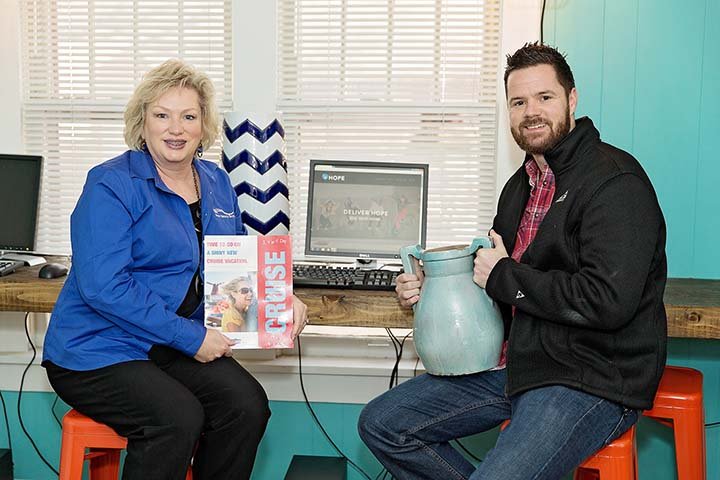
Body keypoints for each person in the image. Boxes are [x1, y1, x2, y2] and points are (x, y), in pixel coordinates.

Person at [358, 42, 667, 480]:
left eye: (545, 97)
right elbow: (494, 282)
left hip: (591, 379)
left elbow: (607, 301)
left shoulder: (616, 183)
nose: (531, 112)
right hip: (520, 364)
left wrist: (506, 275)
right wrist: (435, 287)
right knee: (383, 425)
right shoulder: (517, 188)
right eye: (518, 102)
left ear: (572, 99)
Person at [42, 59, 309, 480]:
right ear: (142, 123)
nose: (176, 128)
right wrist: (192, 336)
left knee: (247, 406)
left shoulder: (217, 181)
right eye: (162, 115)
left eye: (188, 116)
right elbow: (103, 287)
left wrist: (279, 296)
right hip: (97, 351)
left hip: (166, 345)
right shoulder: (110, 184)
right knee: (177, 418)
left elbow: (232, 268)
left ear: (204, 126)